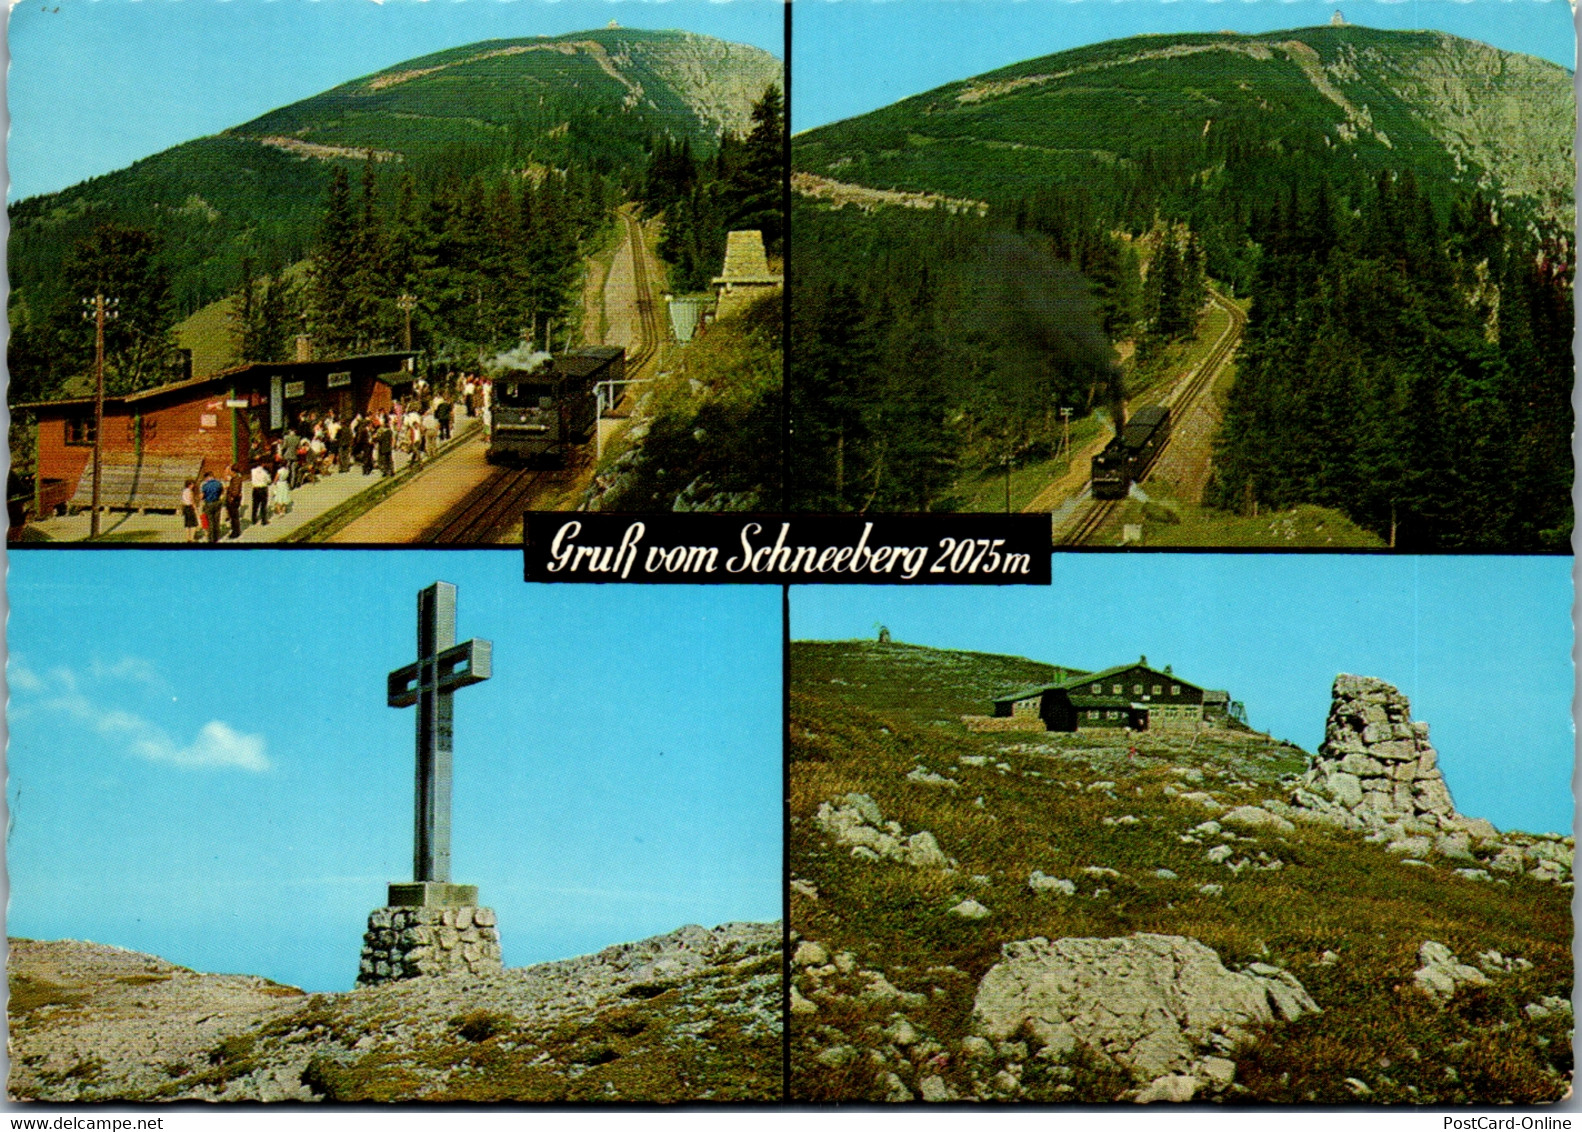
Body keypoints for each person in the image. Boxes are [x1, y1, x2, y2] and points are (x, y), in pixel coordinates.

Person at [200, 469, 224, 544]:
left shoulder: (205, 486)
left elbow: (202, 496)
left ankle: (211, 538)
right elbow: (222, 492)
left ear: (208, 477)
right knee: (216, 520)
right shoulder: (219, 483)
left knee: (210, 521)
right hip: (217, 502)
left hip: (209, 503)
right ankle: (217, 537)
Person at [224, 466, 245, 539]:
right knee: (233, 516)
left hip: (233, 500)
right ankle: (235, 530)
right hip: (233, 499)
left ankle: (235, 532)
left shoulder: (236, 479)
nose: (229, 472)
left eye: (230, 471)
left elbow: (235, 491)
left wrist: (232, 497)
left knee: (234, 517)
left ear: (233, 471)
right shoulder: (235, 478)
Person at [250, 463, 271, 527]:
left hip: (255, 488)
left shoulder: (253, 471)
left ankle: (254, 519)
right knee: (263, 505)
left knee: (255, 505)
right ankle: (264, 520)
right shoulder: (265, 473)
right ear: (263, 465)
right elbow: (269, 481)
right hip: (263, 489)